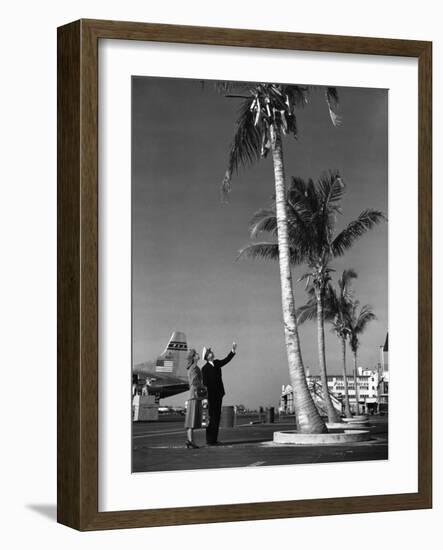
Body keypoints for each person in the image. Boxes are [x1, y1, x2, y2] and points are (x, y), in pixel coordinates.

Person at [201, 342, 237, 446]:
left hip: (219, 394)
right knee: (211, 417)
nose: (212, 352)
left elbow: (226, 360)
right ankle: (209, 440)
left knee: (216, 417)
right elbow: (205, 384)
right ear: (207, 356)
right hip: (210, 396)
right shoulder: (204, 368)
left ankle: (214, 439)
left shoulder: (216, 363)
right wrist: (206, 397)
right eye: (210, 352)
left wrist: (233, 350)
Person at [184, 348, 206, 449]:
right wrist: (202, 387)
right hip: (194, 395)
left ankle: (190, 440)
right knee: (191, 419)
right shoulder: (194, 368)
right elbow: (194, 382)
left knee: (191, 419)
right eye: (196, 354)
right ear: (193, 357)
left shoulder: (194, 367)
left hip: (194, 395)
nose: (198, 354)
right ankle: (190, 440)